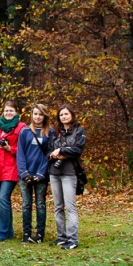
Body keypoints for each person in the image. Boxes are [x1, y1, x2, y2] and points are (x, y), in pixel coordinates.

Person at [48, 105, 86, 250]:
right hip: (54, 172)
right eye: (61, 114)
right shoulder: (55, 132)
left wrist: (63, 150)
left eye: (66, 114)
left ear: (72, 115)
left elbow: (78, 149)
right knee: (58, 207)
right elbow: (48, 150)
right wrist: (54, 154)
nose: (64, 116)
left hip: (70, 173)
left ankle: (73, 239)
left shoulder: (79, 131)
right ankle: (61, 237)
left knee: (70, 207)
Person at [0, 100, 27, 242]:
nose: (8, 113)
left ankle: (2, 232)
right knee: (2, 201)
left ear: (16, 112)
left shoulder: (21, 128)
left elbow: (24, 149)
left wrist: (10, 149)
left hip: (11, 168)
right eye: (6, 111)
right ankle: (8, 231)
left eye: (11, 111)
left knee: (3, 198)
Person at [17, 104, 53, 244]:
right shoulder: (24, 131)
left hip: (41, 174)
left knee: (40, 204)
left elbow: (49, 154)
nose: (37, 117)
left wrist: (41, 173)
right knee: (26, 204)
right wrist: (24, 173)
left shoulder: (50, 132)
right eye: (35, 114)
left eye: (40, 114)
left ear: (44, 116)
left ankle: (39, 234)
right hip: (25, 174)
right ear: (31, 115)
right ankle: (26, 233)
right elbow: (20, 153)